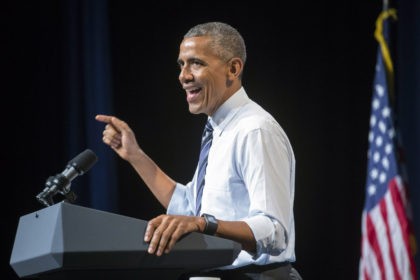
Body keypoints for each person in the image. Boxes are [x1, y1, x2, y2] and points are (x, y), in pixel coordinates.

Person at [96, 21, 301, 280]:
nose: (183, 75)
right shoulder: (216, 131)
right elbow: (187, 209)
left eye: (196, 63)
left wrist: (204, 224)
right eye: (181, 64)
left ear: (233, 68)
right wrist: (135, 155)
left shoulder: (254, 130)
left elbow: (274, 231)